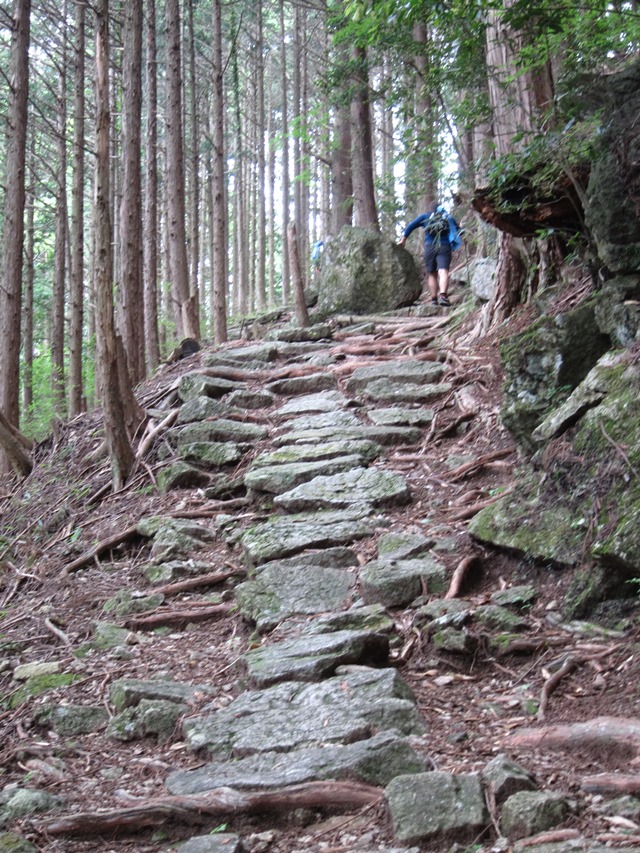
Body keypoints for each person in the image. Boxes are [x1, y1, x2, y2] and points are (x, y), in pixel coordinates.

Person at [398, 203, 462, 307]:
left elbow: (411, 226)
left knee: (432, 274)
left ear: (430, 209)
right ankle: (443, 296)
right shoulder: (448, 217)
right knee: (443, 271)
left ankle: (433, 300)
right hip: (444, 246)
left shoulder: (425, 216)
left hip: (429, 247)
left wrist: (403, 240)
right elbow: (459, 231)